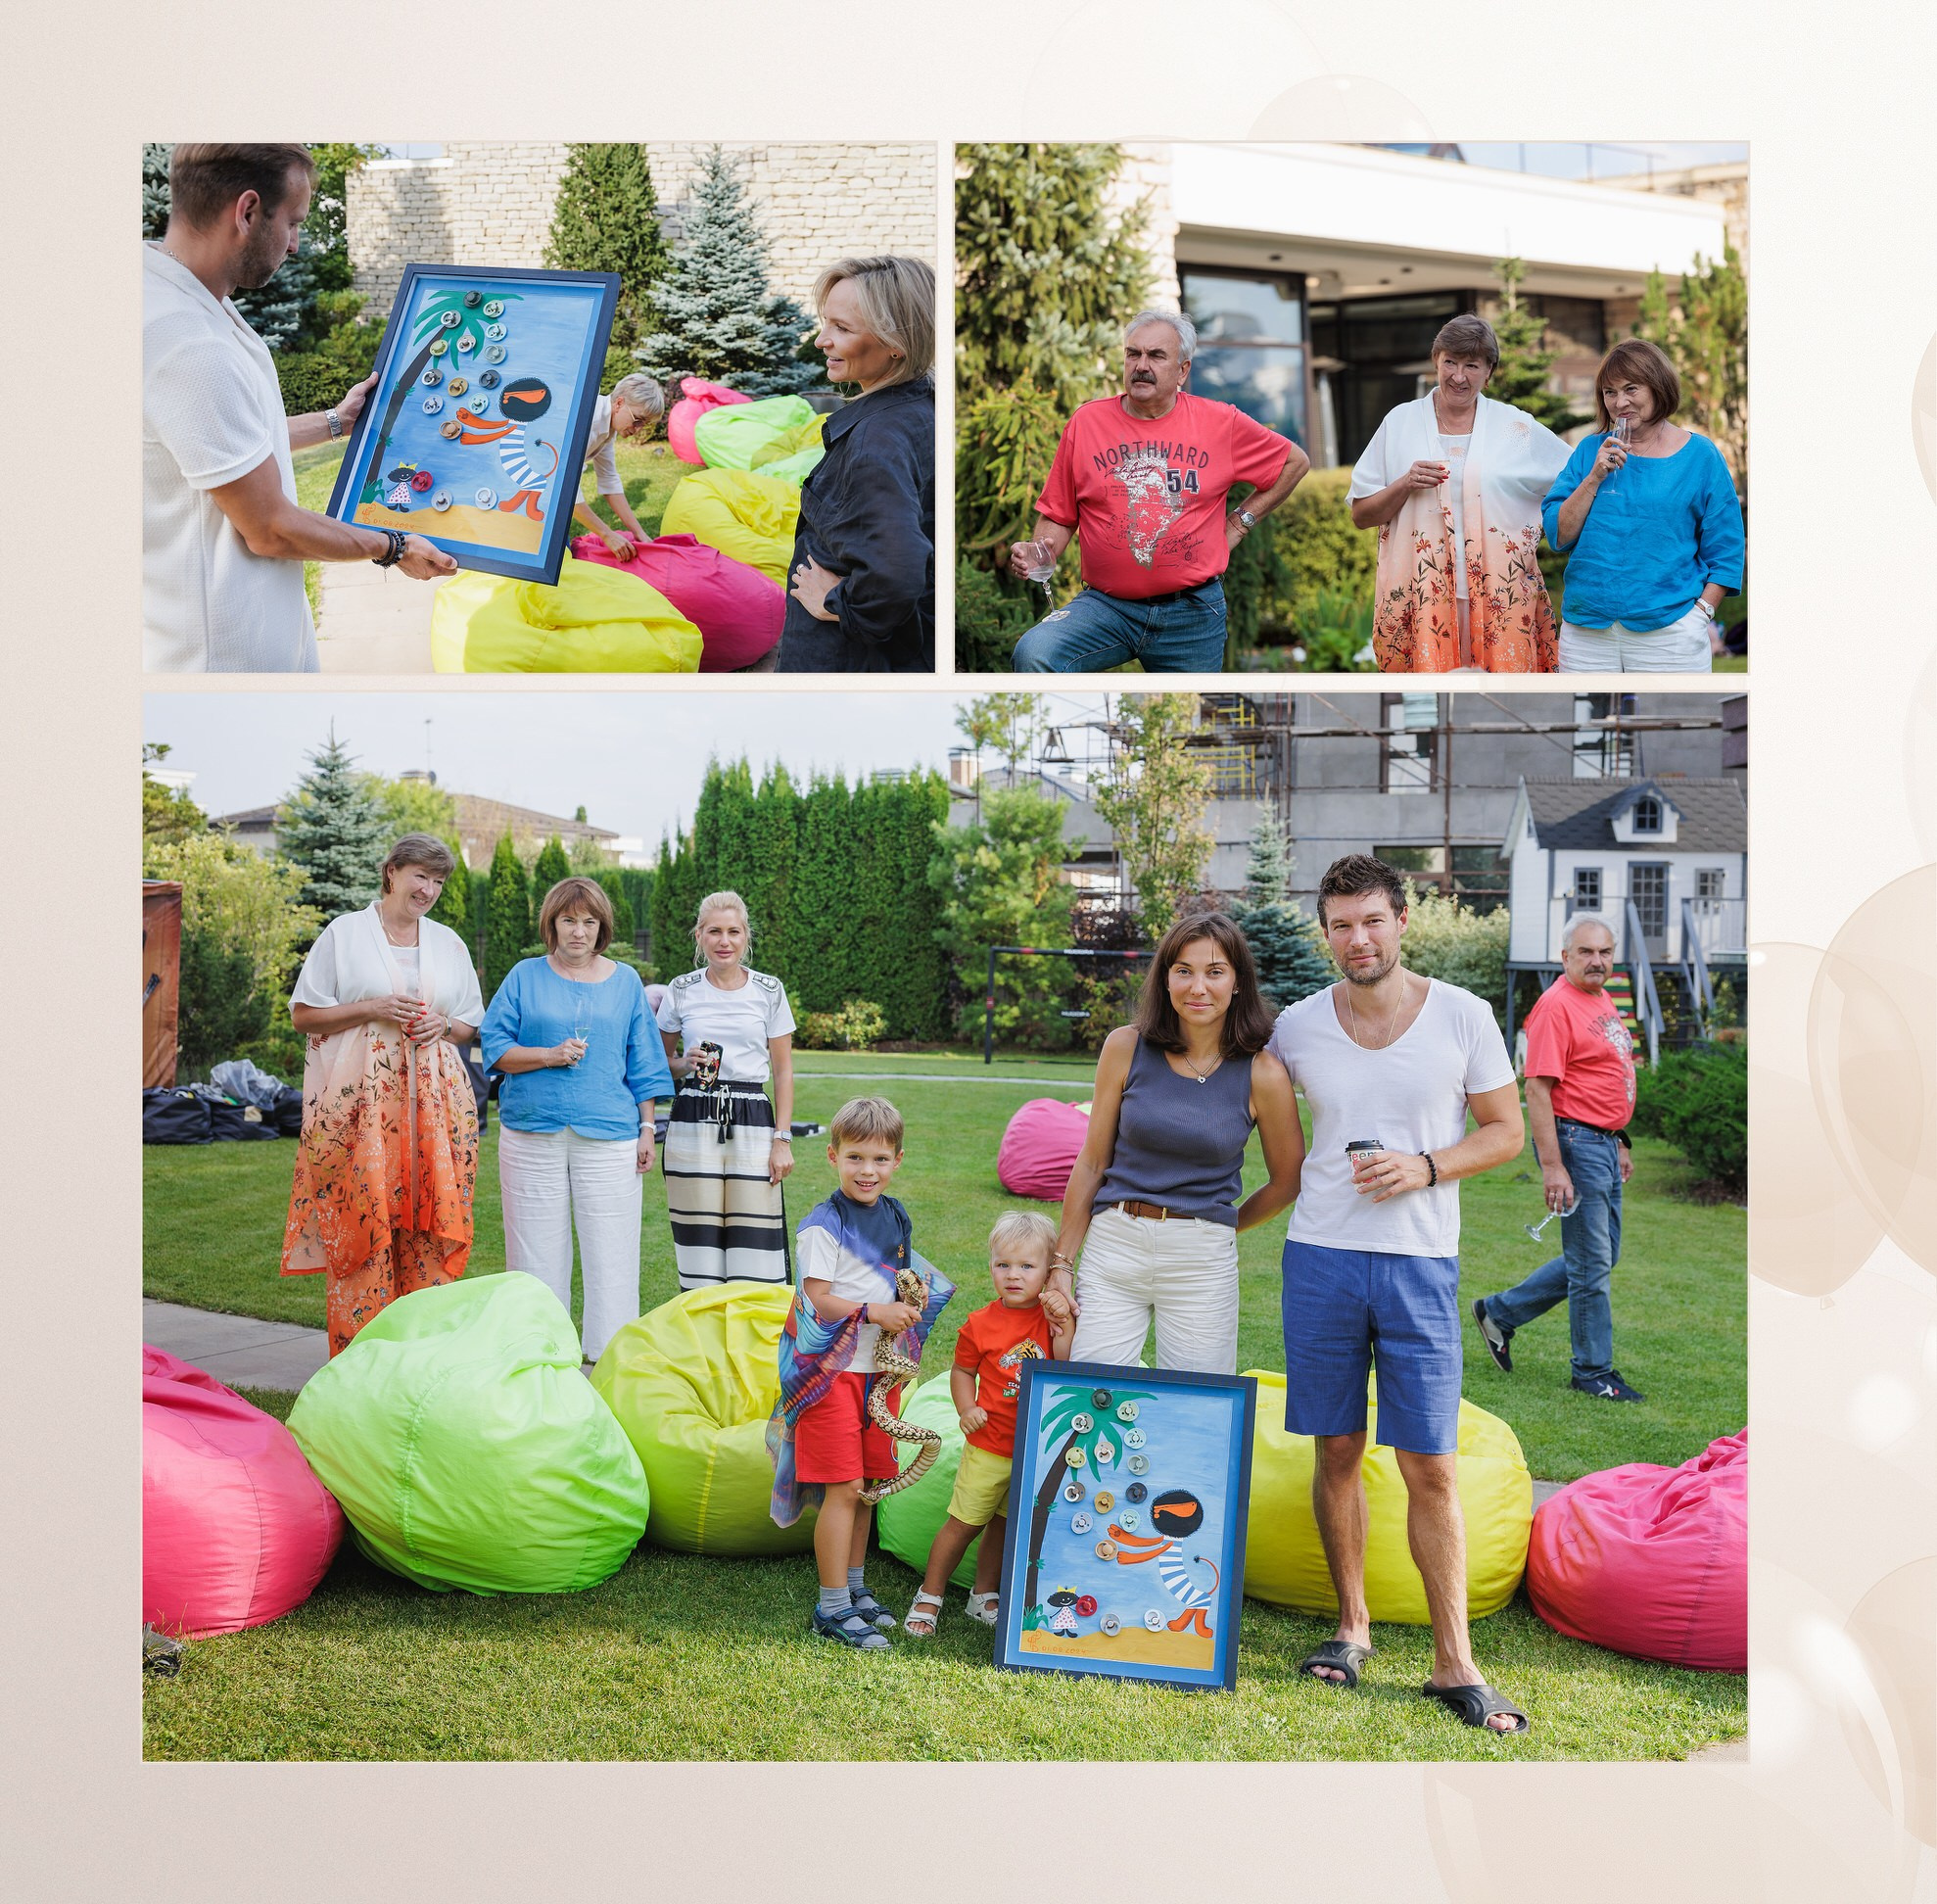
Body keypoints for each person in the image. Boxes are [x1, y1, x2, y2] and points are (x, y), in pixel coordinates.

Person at [1266, 855, 1529, 1732]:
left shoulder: (1462, 1014)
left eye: (1372, 920)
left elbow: (1506, 1132)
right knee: (1336, 1451)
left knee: (1432, 1466)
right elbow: (1237, 1100)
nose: (1358, 938)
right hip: (1321, 1258)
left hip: (1420, 1263)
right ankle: (1351, 1628)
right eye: (1341, 924)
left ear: (1402, 920)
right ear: (1326, 932)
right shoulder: (1298, 1027)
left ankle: (1454, 1662)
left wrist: (1427, 1165)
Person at [144, 144, 456, 672]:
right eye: (292, 223)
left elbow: (228, 443)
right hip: (221, 655)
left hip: (256, 631)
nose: (294, 245)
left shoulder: (183, 295)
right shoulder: (186, 342)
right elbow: (270, 527)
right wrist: (395, 546)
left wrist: (339, 421)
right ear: (246, 212)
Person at [1046, 910, 1303, 1374]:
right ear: (1165, 979)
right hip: (1114, 1246)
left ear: (1238, 981)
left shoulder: (1262, 1073)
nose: (1197, 987)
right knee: (1087, 1399)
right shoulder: (1125, 1047)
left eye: (1214, 972)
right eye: (1183, 971)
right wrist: (1061, 1263)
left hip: (1201, 1263)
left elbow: (1288, 1180)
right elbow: (1092, 1162)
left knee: (1195, 1408)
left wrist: (1220, 1227)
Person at [1010, 312, 1310, 672]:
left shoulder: (1220, 423)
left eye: (1156, 356)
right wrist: (1039, 551)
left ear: (1183, 370)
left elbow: (1295, 463)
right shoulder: (1087, 423)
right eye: (1133, 354)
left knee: (1189, 718)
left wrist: (1239, 523)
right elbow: (1059, 514)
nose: (1141, 366)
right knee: (1034, 654)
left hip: (1192, 612)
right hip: (1105, 607)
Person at [282, 834, 483, 1356]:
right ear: (392, 871)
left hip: (434, 1107)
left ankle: (422, 1362)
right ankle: (360, 1363)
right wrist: (371, 1006)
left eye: (438, 881)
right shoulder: (345, 934)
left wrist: (444, 1022)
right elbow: (303, 1014)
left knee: (427, 1226)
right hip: (360, 1106)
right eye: (421, 876)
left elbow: (469, 1024)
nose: (429, 890)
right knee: (364, 1220)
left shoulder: (448, 943)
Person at [766, 1097, 953, 1649]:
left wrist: (912, 1300)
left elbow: (897, 1275)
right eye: (854, 1158)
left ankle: (854, 1589)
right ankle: (831, 1608)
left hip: (877, 1374)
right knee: (843, 1487)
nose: (866, 1170)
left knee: (868, 1486)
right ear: (832, 1157)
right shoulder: (823, 1226)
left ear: (897, 1160)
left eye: (878, 1159)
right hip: (830, 1372)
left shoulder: (895, 1216)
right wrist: (875, 1312)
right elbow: (817, 1298)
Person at [480, 877, 674, 1364]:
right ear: (552, 924)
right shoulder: (524, 976)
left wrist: (648, 1128)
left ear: (601, 927)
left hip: (609, 1134)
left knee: (612, 1250)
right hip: (530, 1132)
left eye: (589, 922)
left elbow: (645, 1060)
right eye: (568, 920)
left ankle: (610, 1358)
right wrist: (547, 1055)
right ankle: (539, 1353)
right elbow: (495, 1047)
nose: (578, 931)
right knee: (533, 1252)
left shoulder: (626, 981)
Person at [1472, 915, 1642, 1402]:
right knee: (1592, 1266)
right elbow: (1538, 1088)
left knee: (1601, 1254)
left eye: (1605, 952)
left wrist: (1620, 1138)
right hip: (1577, 1144)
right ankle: (1593, 1372)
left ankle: (1500, 1313)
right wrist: (1552, 1165)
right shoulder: (1555, 1007)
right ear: (1565, 956)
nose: (1597, 960)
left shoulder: (1601, 998)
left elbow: (1605, 1072)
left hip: (1604, 1142)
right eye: (1586, 952)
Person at [1349, 314, 1570, 673]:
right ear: (1435, 359)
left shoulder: (1515, 427)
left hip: (1503, 598)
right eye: (1450, 361)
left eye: (1472, 365)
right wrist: (1405, 483)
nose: (1458, 376)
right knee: (1431, 710)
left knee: (1503, 708)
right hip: (1419, 600)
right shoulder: (1400, 423)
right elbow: (1361, 514)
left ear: (1489, 370)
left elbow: (1573, 480)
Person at [905, 1211, 1074, 1638]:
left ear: (1049, 1269)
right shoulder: (979, 1324)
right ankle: (930, 1594)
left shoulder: (1051, 1318)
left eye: (1026, 1266)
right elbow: (961, 1372)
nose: (1013, 1275)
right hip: (989, 1446)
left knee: (1003, 1523)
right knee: (964, 1523)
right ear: (991, 1266)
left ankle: (984, 1596)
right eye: (1003, 1265)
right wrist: (965, 1410)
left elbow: (1067, 1362)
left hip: (1034, 1449)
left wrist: (1064, 1320)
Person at [1542, 338, 1745, 672]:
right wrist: (1594, 476)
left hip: (1671, 633)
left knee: (1669, 721)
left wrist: (1701, 615)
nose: (1620, 402)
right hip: (1586, 635)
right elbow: (1560, 536)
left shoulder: (1700, 456)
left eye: (1631, 389)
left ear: (1657, 387)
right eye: (1609, 392)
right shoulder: (1588, 451)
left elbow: (1727, 549)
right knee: (1588, 722)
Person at [777, 257, 936, 672]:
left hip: (843, 659)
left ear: (895, 343)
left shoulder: (875, 441)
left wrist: (837, 604)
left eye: (842, 329)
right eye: (825, 322)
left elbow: (897, 571)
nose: (820, 340)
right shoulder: (921, 407)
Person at [655, 890, 796, 1286]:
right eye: (714, 931)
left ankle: (753, 1340)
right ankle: (703, 1341)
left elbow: (783, 1072)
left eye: (734, 932)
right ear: (699, 936)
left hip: (753, 1121)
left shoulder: (769, 990)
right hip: (692, 1119)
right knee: (699, 1241)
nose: (724, 941)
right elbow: (659, 1065)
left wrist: (781, 1138)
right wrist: (686, 1062)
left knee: (756, 1243)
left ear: (746, 937)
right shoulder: (681, 988)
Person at [568, 373, 667, 561]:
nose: (638, 429)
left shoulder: (608, 428)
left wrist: (640, 533)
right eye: (637, 420)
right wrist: (606, 535)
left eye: (644, 425)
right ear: (619, 403)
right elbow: (564, 490)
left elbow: (609, 480)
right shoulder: (587, 421)